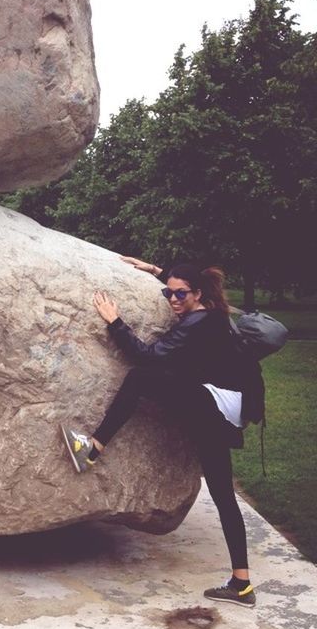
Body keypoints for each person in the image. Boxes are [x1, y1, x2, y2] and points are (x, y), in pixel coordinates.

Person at [61, 255, 260, 608]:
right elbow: (187, 286)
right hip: (223, 410)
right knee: (224, 496)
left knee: (140, 377)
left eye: (180, 295)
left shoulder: (197, 323)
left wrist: (115, 322)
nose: (172, 300)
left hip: (213, 407)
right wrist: (157, 272)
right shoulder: (211, 311)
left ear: (197, 294)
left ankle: (92, 448)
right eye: (168, 294)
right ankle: (241, 584)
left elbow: (148, 356)